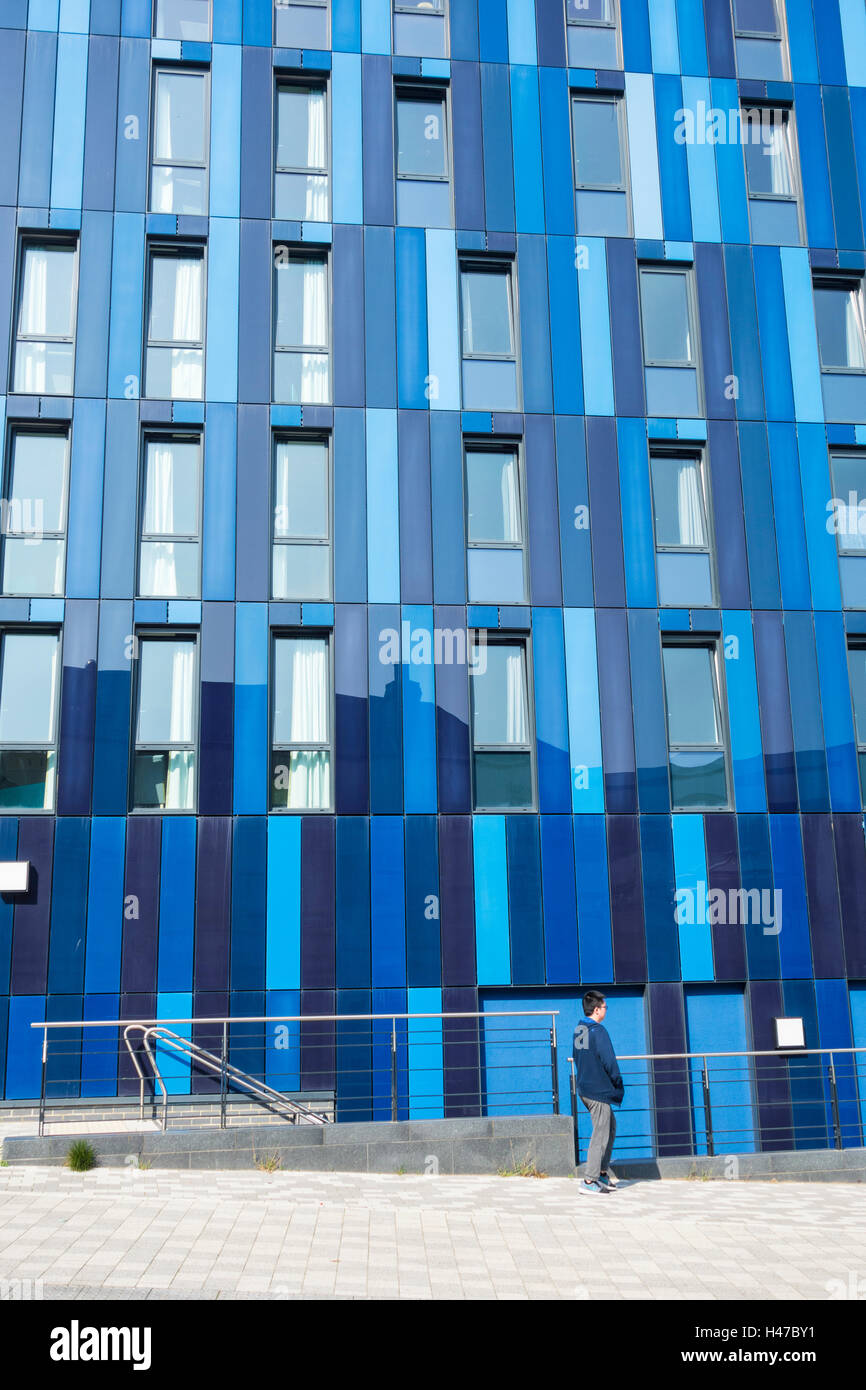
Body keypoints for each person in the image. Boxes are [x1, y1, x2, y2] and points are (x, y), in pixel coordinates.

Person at [573, 990, 624, 1195]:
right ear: (596, 1009)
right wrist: (617, 1083)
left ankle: (601, 1173)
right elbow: (609, 1061)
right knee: (600, 1134)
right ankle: (589, 1180)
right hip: (597, 1091)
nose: (606, 1010)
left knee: (610, 1126)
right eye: (604, 1007)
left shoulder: (580, 1029)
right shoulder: (598, 1031)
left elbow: (577, 1057)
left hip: (585, 1088)